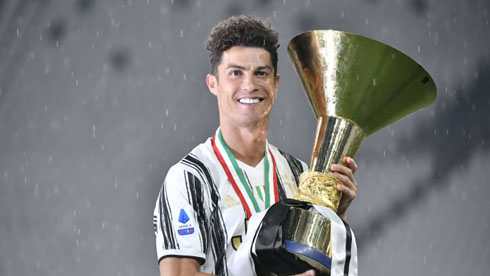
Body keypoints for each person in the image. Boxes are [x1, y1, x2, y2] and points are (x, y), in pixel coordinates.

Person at [153, 15, 358, 276]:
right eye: (235, 73)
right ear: (213, 84)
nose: (249, 85)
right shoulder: (189, 177)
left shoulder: (299, 174)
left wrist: (334, 215)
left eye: (261, 73)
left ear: (275, 84)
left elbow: (316, 266)